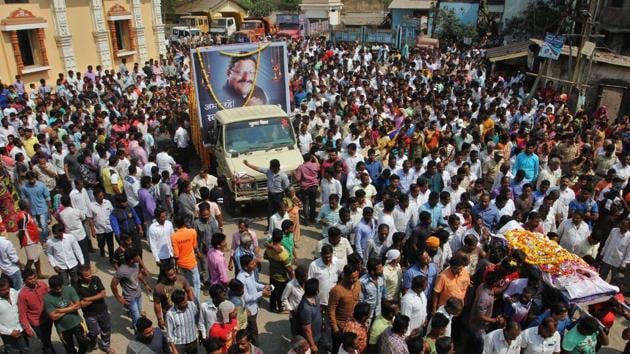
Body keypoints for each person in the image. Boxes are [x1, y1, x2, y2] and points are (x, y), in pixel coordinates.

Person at [44, 275, 89, 354]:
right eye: (56, 289)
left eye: (60, 287)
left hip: (76, 322)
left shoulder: (69, 289)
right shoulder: (47, 298)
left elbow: (78, 305)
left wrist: (59, 310)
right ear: (51, 287)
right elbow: (53, 317)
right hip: (62, 328)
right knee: (69, 348)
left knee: (84, 341)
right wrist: (70, 308)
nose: (59, 290)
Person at [74, 265, 111, 353]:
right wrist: (97, 297)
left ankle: (106, 347)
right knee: (94, 331)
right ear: (80, 277)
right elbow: (81, 304)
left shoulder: (96, 279)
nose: (90, 276)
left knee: (106, 329)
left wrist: (88, 299)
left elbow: (103, 293)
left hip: (102, 310)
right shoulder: (76, 287)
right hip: (89, 314)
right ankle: (92, 342)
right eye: (87, 276)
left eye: (90, 274)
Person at [17, 269, 55, 354]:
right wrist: (27, 329)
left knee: (47, 339)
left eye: (34, 277)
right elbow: (22, 314)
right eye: (30, 279)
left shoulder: (42, 285)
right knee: (46, 342)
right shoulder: (22, 295)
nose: (33, 280)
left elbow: (51, 296)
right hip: (37, 322)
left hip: (48, 318)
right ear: (24, 280)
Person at [236, 255, 271, 346]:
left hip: (254, 307)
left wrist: (263, 287)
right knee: (253, 331)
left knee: (250, 330)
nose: (255, 264)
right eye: (252, 263)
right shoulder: (241, 278)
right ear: (245, 266)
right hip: (248, 310)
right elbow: (245, 297)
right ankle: (256, 348)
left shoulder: (251, 272)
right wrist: (261, 294)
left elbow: (254, 283)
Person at [111, 247, 150, 328]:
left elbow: (138, 276)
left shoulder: (136, 264)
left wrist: (145, 284)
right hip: (130, 298)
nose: (138, 257)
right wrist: (119, 298)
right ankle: (137, 333)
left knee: (138, 314)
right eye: (136, 256)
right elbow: (113, 285)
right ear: (132, 259)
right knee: (137, 319)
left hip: (138, 294)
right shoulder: (121, 271)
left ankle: (135, 325)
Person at [329, 264, 361, 352]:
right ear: (345, 276)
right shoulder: (337, 290)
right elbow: (331, 310)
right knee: (338, 348)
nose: (354, 280)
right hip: (340, 327)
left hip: (353, 325)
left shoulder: (358, 284)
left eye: (356, 277)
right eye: (352, 278)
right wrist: (335, 329)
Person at [154, 262, 195, 330]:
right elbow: (157, 304)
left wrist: (192, 304)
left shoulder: (181, 279)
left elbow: (189, 290)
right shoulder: (159, 288)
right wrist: (159, 319)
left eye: (174, 272)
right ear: (164, 276)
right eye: (171, 275)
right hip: (170, 315)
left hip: (183, 311)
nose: (174, 276)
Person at [171, 214, 201, 300]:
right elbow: (195, 246)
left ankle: (188, 298)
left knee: (186, 282)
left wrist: (176, 265)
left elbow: (176, 254)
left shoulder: (174, 236)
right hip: (191, 262)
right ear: (184, 222)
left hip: (181, 263)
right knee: (196, 284)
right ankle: (196, 301)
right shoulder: (192, 232)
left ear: (175, 224)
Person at [264, 229, 294, 313]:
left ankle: (272, 306)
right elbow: (288, 268)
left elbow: (265, 257)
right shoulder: (283, 253)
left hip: (272, 274)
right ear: (281, 239)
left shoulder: (268, 249)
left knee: (272, 290)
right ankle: (281, 308)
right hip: (282, 277)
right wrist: (292, 276)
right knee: (281, 293)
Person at [109, 194, 143, 262]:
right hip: (124, 236)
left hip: (133, 232)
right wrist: (121, 239)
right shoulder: (113, 214)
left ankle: (140, 266)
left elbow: (136, 218)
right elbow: (116, 228)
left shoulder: (130, 208)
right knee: (127, 252)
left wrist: (140, 228)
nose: (126, 203)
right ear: (118, 203)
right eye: (124, 202)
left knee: (139, 249)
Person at [15, 200, 45, 278]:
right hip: (29, 241)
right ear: (26, 206)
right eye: (29, 203)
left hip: (34, 239)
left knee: (37, 256)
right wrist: (21, 242)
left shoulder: (26, 214)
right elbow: (21, 230)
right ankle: (25, 275)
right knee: (31, 259)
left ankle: (39, 274)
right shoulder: (22, 216)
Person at [296, 278, 327, 354]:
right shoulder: (305, 308)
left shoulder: (316, 298)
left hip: (318, 335)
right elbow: (307, 329)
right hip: (310, 340)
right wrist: (312, 345)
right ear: (316, 291)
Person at [20, 171, 52, 242]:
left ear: (35, 177)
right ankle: (46, 230)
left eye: (32, 179)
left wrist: (49, 207)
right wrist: (26, 209)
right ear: (27, 179)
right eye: (29, 179)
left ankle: (45, 240)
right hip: (32, 210)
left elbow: (47, 197)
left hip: (43, 208)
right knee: (36, 225)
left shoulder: (41, 185)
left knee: (43, 225)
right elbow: (23, 198)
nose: (31, 181)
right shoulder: (24, 187)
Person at [0, 276, 29, 353]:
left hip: (21, 329)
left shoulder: (13, 291)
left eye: (8, 288)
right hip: (8, 335)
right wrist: (10, 332)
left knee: (26, 350)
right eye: (3, 290)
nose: (7, 291)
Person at [60, 195, 91, 266]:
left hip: (70, 235)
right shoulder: (76, 211)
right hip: (80, 235)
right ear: (70, 202)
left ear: (62, 204)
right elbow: (83, 218)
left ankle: (79, 268)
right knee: (84, 252)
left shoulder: (61, 214)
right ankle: (87, 268)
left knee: (75, 253)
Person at [166, 289, 199, 354]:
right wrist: (174, 349)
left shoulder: (192, 305)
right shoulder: (170, 314)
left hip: (192, 341)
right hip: (179, 344)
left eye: (186, 300)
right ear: (176, 304)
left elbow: (197, 320)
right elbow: (170, 334)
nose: (186, 303)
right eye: (183, 303)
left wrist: (200, 333)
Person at [148, 208, 175, 279]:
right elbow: (152, 244)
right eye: (162, 217)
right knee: (163, 274)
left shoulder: (169, 223)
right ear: (157, 217)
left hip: (171, 253)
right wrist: (157, 259)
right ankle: (159, 288)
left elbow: (173, 236)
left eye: (165, 216)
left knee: (171, 272)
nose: (164, 218)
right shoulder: (152, 228)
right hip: (162, 256)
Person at [0, 221, 22, 289]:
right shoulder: (7, 243)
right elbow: (14, 258)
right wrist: (21, 265)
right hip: (13, 270)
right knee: (17, 290)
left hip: (4, 270)